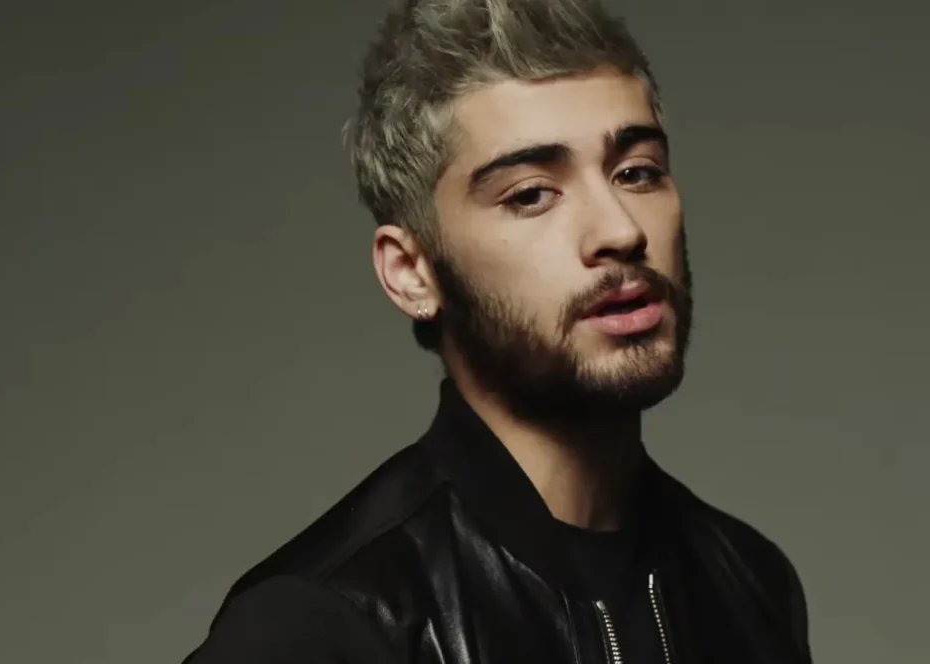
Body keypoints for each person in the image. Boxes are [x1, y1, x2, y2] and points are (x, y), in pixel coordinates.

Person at [182, 0, 813, 662]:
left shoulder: (751, 583)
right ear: (412, 273)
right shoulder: (319, 624)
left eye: (637, 173)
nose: (621, 230)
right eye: (531, 193)